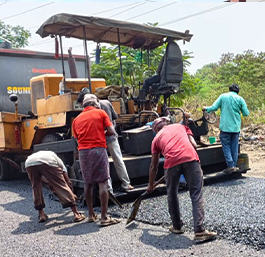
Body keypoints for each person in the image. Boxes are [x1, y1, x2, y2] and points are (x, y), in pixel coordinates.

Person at [147, 117, 217, 241]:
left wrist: (150, 184)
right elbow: (194, 145)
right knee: (196, 194)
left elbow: (153, 166)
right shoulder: (181, 127)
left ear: (156, 130)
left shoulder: (156, 139)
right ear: (167, 123)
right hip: (190, 158)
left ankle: (177, 226)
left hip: (171, 163)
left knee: (172, 194)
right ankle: (199, 230)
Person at [72, 93, 121, 226]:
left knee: (88, 183)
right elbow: (111, 131)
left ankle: (90, 214)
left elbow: (76, 138)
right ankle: (104, 217)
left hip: (83, 152)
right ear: (95, 104)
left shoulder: (76, 120)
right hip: (98, 150)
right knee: (102, 182)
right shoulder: (100, 113)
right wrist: (101, 133)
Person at [25, 150, 85, 223]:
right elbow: (66, 181)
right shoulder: (57, 161)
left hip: (29, 163)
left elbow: (40, 179)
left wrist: (50, 183)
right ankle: (76, 214)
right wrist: (70, 190)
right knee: (61, 185)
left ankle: (41, 215)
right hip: (48, 162)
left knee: (36, 187)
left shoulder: (39, 155)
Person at [203, 83, 249, 173]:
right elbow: (246, 113)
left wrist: (205, 108)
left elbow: (214, 107)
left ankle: (230, 165)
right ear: (237, 92)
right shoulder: (240, 99)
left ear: (229, 89)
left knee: (226, 146)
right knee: (234, 146)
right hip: (236, 128)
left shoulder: (223, 96)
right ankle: (234, 165)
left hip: (225, 128)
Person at [99, 99, 134, 193]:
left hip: (100, 138)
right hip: (111, 136)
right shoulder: (106, 103)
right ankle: (126, 184)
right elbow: (115, 117)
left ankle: (109, 189)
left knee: (104, 163)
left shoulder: (91, 109)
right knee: (118, 160)